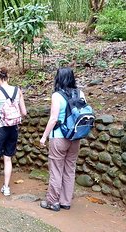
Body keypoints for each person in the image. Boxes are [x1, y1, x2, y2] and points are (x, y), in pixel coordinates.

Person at [39, 67, 84, 211]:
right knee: (70, 169)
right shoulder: (80, 93)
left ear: (58, 78)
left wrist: (44, 137)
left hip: (59, 137)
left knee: (56, 169)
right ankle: (65, 201)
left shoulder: (57, 96)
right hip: (75, 137)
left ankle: (53, 201)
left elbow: (53, 119)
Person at [0, 67, 27, 196]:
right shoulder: (17, 90)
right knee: (8, 159)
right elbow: (24, 112)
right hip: (13, 128)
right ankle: (6, 188)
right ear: (8, 77)